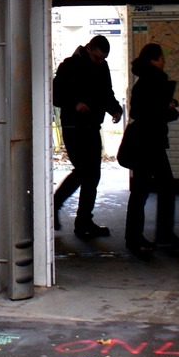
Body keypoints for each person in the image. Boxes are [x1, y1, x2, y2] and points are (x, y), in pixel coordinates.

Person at [51, 34, 123, 238]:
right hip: (73, 126)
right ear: (89, 49)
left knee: (93, 175)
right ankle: (57, 204)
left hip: (92, 125)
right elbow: (56, 95)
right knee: (84, 171)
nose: (100, 62)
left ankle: (84, 221)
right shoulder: (69, 66)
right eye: (97, 57)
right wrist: (75, 104)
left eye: (103, 59)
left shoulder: (102, 67)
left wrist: (115, 109)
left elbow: (106, 92)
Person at [123, 43, 179, 252]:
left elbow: (137, 113)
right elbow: (157, 115)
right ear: (154, 60)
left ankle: (136, 236)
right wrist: (175, 111)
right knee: (165, 188)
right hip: (152, 143)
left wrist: (167, 105)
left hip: (143, 141)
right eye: (161, 58)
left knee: (141, 190)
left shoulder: (141, 82)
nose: (164, 62)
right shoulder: (158, 80)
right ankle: (161, 234)